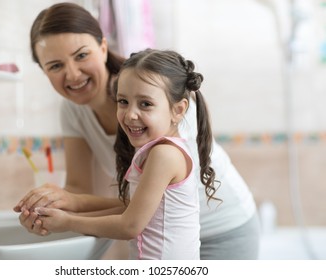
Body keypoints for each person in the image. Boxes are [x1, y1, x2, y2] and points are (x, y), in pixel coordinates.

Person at [14, 2, 260, 260]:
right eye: (55, 66)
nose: (73, 74)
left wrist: (68, 220)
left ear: (103, 47)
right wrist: (49, 213)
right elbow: (79, 188)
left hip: (224, 230)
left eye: (81, 55)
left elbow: (134, 218)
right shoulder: (72, 111)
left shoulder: (160, 97)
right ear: (44, 71)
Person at [33, 48, 216, 259]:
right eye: (123, 101)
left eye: (145, 104)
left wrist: (68, 222)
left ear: (178, 110)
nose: (130, 114)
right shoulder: (157, 151)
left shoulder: (165, 155)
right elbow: (131, 209)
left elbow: (130, 225)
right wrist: (71, 209)